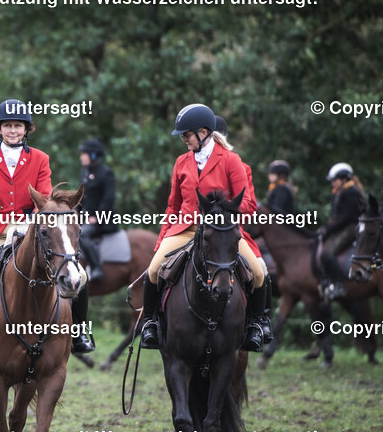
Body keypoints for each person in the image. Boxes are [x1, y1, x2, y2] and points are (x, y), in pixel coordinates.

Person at [0, 99, 95, 360]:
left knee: (79, 276)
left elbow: (45, 200)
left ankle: (79, 333)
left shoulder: (40, 159)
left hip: (32, 230)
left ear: (26, 129)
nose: (12, 130)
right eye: (7, 126)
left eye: (18, 126)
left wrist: (27, 225)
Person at [139, 104, 271, 352]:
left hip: (221, 232)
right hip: (186, 228)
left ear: (203, 132)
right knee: (154, 270)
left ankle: (257, 324)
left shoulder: (231, 160)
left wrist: (220, 213)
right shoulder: (181, 162)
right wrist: (161, 240)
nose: (184, 140)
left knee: (259, 272)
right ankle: (151, 324)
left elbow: (249, 204)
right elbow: (173, 206)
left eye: (186, 135)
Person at [317, 162, 365, 300]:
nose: (333, 183)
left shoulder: (351, 192)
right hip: (342, 226)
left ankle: (339, 284)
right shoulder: (340, 192)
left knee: (327, 253)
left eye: (335, 180)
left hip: (351, 227)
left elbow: (347, 218)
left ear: (344, 179)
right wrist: (326, 227)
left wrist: (330, 229)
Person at [76, 138, 116, 282]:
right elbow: (81, 196)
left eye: (84, 154)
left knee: (83, 234)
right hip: (86, 217)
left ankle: (96, 267)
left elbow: (108, 199)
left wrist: (97, 217)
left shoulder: (106, 173)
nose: (81, 156)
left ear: (93, 155)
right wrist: (75, 211)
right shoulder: (85, 172)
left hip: (103, 220)